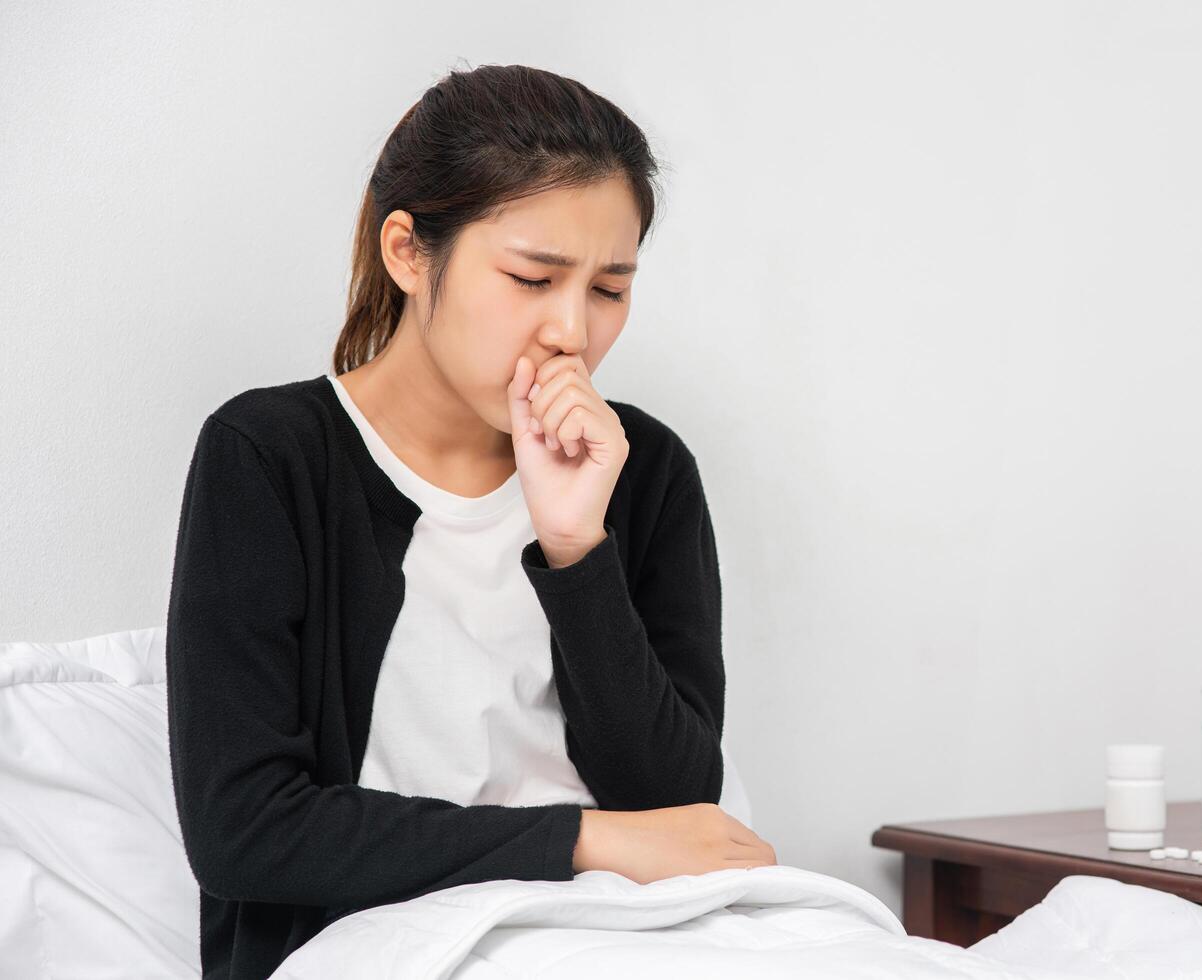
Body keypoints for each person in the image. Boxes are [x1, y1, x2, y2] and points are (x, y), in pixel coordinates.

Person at [164, 62, 775, 980]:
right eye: (533, 277)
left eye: (609, 290)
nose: (571, 331)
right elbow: (244, 832)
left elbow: (674, 804)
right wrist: (580, 841)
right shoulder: (269, 457)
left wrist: (576, 549)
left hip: (639, 935)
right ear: (407, 252)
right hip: (385, 942)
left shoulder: (641, 472)